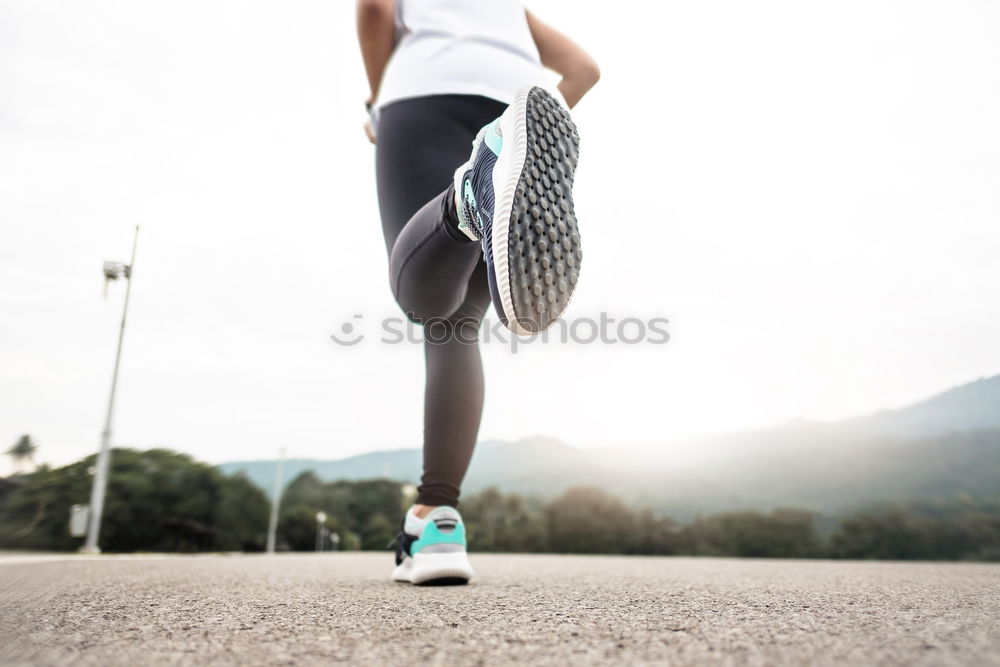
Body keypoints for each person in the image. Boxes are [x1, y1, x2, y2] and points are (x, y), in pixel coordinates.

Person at [356, 0, 599, 584]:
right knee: (459, 322)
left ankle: (468, 197)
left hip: (424, 98)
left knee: (426, 308)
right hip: (512, 102)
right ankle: (435, 519)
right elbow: (584, 71)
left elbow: (373, 9)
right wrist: (535, 130)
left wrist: (375, 100)